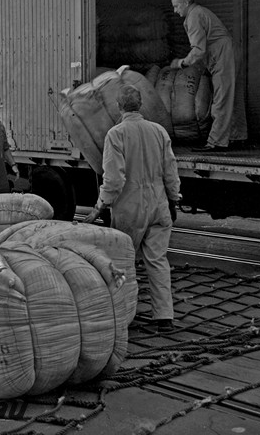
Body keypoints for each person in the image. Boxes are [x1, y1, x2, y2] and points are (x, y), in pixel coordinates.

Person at [84, 84, 181, 333]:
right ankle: (164, 317)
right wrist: (173, 199)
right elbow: (171, 172)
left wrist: (99, 206)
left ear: (119, 107)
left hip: (130, 209)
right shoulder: (159, 132)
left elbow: (114, 180)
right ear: (141, 105)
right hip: (159, 205)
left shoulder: (116, 135)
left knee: (124, 262)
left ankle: (126, 314)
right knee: (158, 260)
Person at [169, 0, 238, 151]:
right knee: (232, 97)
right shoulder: (200, 12)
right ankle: (238, 136)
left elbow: (198, 49)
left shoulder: (193, 16)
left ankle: (216, 142)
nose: (175, 10)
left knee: (221, 99)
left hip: (222, 55)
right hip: (227, 52)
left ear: (186, 3)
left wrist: (182, 63)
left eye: (177, 6)